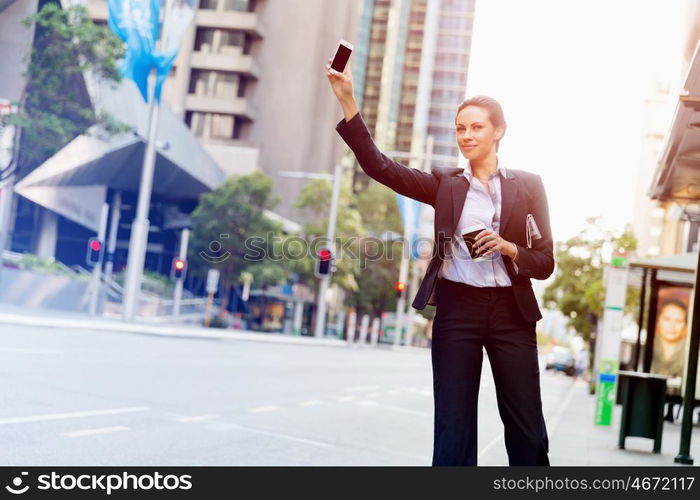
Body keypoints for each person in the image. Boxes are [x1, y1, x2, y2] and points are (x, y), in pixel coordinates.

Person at [325, 57, 554, 467]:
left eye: (476, 127)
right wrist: (348, 102)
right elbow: (380, 166)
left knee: (528, 430)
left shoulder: (530, 186)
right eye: (460, 128)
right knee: (453, 426)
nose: (466, 136)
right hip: (457, 310)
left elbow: (545, 261)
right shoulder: (445, 184)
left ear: (498, 131)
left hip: (512, 313)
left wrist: (508, 247)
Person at [651, 298, 688, 379]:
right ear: (658, 321)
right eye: (667, 319)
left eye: (678, 321)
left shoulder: (690, 350)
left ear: (685, 325)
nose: (672, 326)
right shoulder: (647, 345)